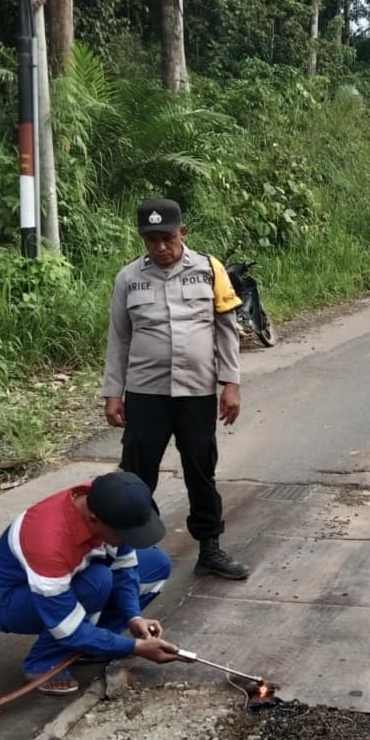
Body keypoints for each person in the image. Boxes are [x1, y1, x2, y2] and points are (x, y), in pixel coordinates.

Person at [102, 197, 250, 580]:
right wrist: (112, 393)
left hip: (196, 392)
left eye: (167, 237)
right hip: (145, 394)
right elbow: (118, 340)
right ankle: (128, 553)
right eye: (152, 240)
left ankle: (210, 549)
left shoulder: (209, 270)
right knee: (136, 475)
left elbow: (226, 331)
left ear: (182, 232)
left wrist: (231, 383)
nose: (161, 247)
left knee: (200, 470)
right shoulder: (128, 278)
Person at [0, 471, 182, 695]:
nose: (128, 540)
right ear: (93, 520)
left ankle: (91, 647)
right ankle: (42, 664)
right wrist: (135, 647)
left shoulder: (111, 502)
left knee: (157, 565)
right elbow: (66, 627)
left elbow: (125, 568)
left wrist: (134, 617)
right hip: (13, 601)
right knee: (97, 582)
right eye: (125, 534)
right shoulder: (48, 542)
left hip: (74, 576)